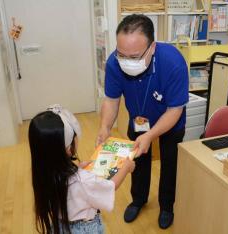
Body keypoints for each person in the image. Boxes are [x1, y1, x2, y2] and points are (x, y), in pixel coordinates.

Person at [96, 14, 189, 229]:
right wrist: (104, 127)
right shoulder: (113, 63)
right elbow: (111, 100)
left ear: (152, 47)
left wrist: (150, 135)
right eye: (122, 54)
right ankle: (138, 199)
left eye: (135, 56)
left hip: (170, 122)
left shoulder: (173, 63)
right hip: (138, 120)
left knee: (169, 163)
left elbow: (175, 109)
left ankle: (167, 205)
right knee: (137, 161)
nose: (127, 60)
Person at [29, 104, 135, 234]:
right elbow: (110, 186)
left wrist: (78, 168)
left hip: (61, 226)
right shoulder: (82, 180)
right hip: (85, 229)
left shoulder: (44, 173)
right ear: (69, 148)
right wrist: (126, 167)